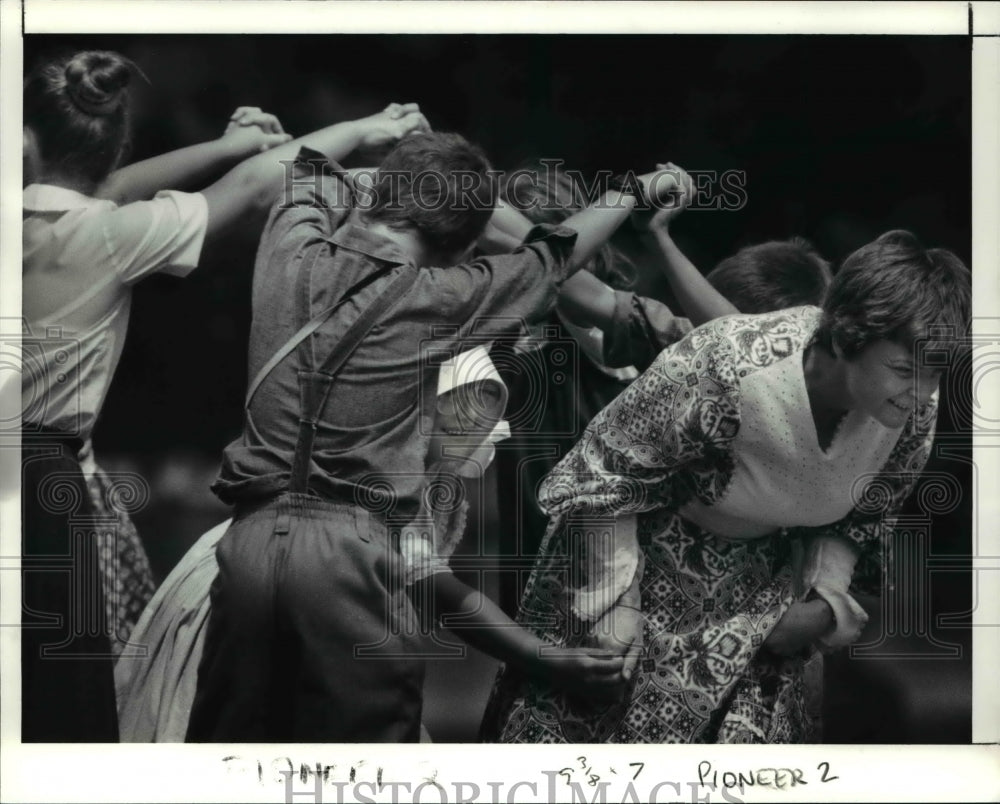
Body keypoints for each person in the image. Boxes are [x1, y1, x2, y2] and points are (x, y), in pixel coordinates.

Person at [184, 130, 686, 742]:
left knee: (231, 754)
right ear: (461, 247)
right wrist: (632, 192)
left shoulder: (291, 248)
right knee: (367, 762)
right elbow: (554, 256)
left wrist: (375, 136)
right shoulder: (445, 297)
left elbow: (305, 167)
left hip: (247, 548)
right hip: (351, 555)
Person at [20, 47, 427, 741]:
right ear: (116, 138)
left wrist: (225, 142)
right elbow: (251, 187)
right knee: (55, 703)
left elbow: (104, 186)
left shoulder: (52, 220)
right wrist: (363, 128)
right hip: (36, 486)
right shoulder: (108, 237)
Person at [481, 228, 970, 743]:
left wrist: (824, 604)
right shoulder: (728, 364)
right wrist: (616, 603)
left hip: (768, 595)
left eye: (934, 376)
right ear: (849, 336)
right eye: (902, 370)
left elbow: (867, 516)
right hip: (632, 565)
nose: (920, 393)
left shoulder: (912, 412)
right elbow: (605, 475)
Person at [115, 346, 507, 742]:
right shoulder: (376, 468)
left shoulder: (424, 479)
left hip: (320, 593)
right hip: (270, 587)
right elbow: (433, 585)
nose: (464, 444)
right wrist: (534, 652)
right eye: (455, 427)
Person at [490, 163, 832, 615]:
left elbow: (737, 346)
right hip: (548, 601)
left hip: (643, 610)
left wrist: (635, 201)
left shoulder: (644, 346)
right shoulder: (485, 324)